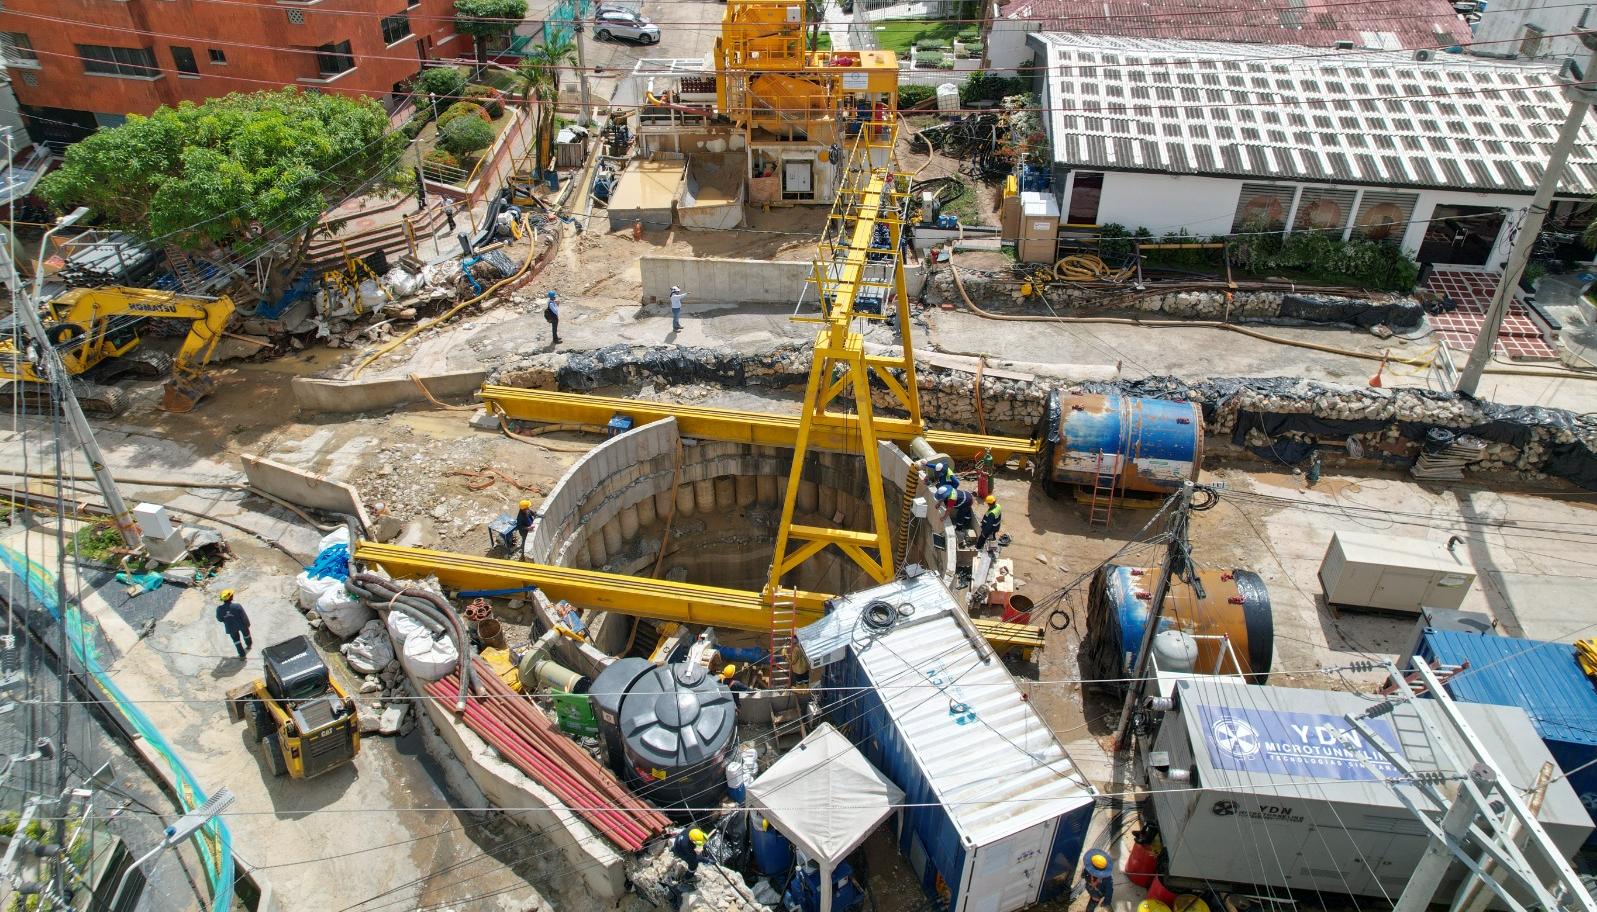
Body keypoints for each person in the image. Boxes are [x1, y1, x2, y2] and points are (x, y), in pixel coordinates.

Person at [215, 589, 252, 659]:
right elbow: (244, 616)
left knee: (236, 641)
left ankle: (242, 655)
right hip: (242, 625)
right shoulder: (237, 606)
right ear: (231, 597)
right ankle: (249, 645)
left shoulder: (219, 609)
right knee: (246, 635)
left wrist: (226, 619)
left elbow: (219, 619)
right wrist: (247, 624)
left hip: (230, 627)